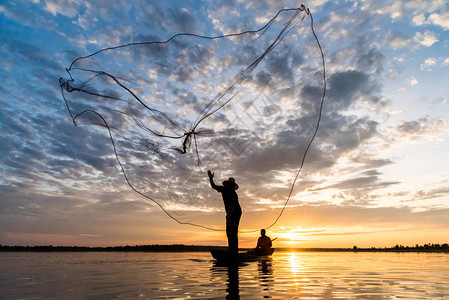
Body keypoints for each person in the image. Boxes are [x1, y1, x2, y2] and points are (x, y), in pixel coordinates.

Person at [208, 170, 242, 252]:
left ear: (232, 186)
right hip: (230, 212)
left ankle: (234, 250)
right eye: (228, 184)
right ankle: (231, 248)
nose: (229, 186)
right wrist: (210, 178)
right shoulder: (223, 189)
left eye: (231, 185)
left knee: (233, 231)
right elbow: (214, 186)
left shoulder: (233, 194)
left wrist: (229, 217)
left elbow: (232, 206)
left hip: (236, 212)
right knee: (229, 231)